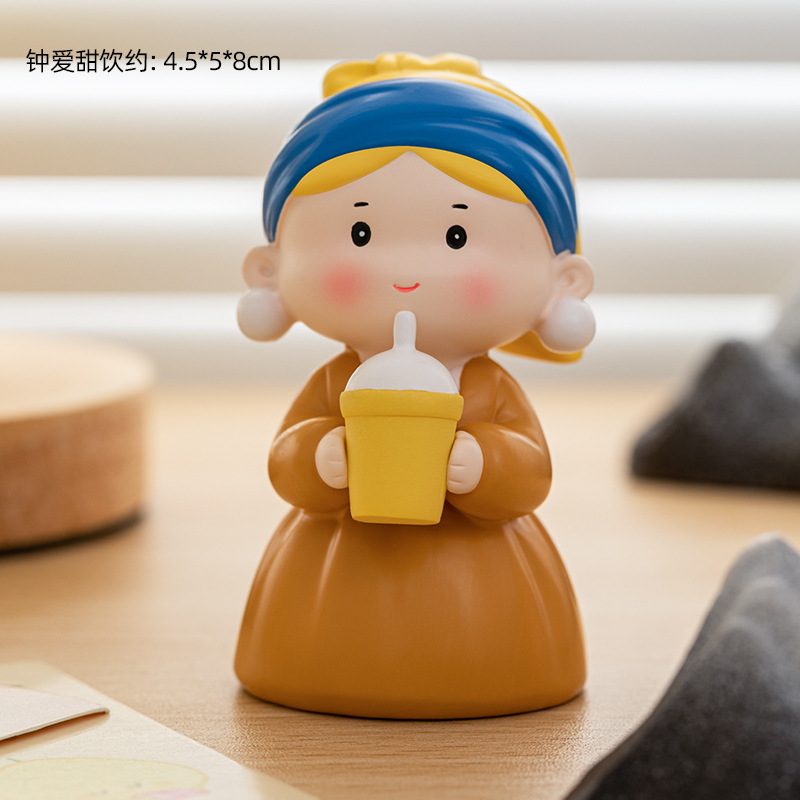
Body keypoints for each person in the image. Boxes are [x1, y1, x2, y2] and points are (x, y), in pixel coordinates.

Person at [234, 53, 595, 719]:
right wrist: (319, 455)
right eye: (361, 232)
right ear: (271, 269)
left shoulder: (488, 389)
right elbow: (287, 459)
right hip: (329, 603)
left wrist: (485, 463)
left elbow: (531, 471)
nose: (406, 270)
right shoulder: (336, 382)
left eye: (457, 235)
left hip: (486, 610)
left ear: (561, 281)